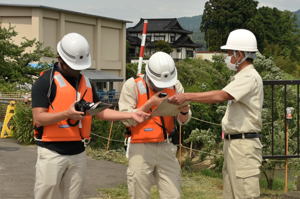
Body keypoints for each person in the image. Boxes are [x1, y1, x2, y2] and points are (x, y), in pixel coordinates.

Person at [31, 32, 149, 199]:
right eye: (74, 66)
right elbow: (38, 118)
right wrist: (66, 113)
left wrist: (130, 114)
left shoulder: (86, 83)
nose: (78, 69)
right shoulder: (45, 82)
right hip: (51, 152)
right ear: (61, 60)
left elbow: (100, 112)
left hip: (78, 152)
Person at [169, 29, 263, 199]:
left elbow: (221, 95)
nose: (228, 57)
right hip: (235, 144)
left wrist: (187, 96)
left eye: (229, 53)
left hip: (243, 145)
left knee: (244, 193)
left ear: (240, 53)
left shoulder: (249, 77)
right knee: (232, 192)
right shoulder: (242, 76)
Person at [118, 51, 191, 199]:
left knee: (173, 194)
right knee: (139, 194)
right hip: (140, 147)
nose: (162, 87)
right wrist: (149, 104)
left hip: (167, 146)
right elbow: (125, 119)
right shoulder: (132, 85)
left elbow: (183, 121)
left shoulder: (176, 86)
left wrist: (184, 110)